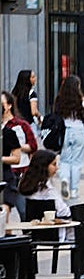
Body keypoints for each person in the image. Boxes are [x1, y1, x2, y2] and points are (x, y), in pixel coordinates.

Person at [53, 75, 84, 200]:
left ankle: (64, 180)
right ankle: (74, 190)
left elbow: (56, 115)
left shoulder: (59, 100)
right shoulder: (81, 100)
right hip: (78, 129)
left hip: (64, 130)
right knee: (77, 161)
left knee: (64, 159)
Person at [17, 150, 70, 224]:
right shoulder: (47, 189)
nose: (57, 168)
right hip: (53, 229)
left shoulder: (27, 185)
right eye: (54, 164)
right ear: (44, 166)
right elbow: (63, 212)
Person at [2, 91, 29, 221]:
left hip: (11, 175)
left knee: (8, 209)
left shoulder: (14, 129)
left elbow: (17, 157)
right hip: (9, 173)